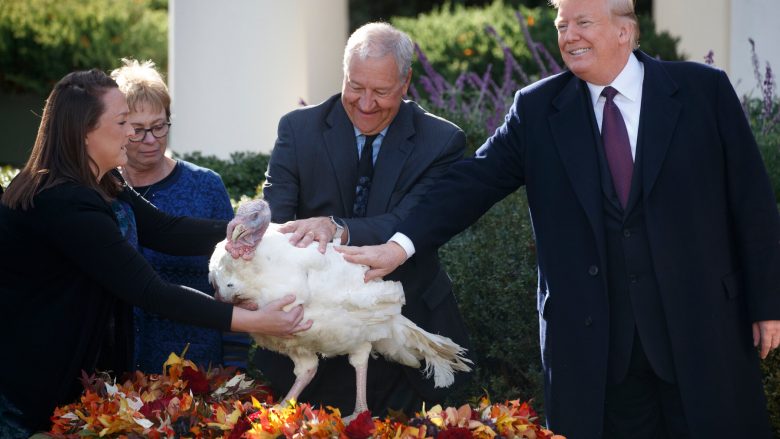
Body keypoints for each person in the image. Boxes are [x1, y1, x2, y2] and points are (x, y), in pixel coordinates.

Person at [339, 0, 780, 437]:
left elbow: (752, 201)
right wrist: (399, 246)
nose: (569, 36)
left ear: (624, 30)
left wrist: (767, 304)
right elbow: (469, 184)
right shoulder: (537, 110)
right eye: (561, 25)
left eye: (582, 23)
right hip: (597, 354)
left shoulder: (704, 91)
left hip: (702, 333)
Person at [0, 69, 312, 436]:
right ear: (85, 132)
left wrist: (252, 232)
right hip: (32, 393)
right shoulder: (62, 202)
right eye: (122, 122)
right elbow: (149, 291)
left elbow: (165, 230)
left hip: (74, 380)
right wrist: (255, 321)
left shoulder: (102, 179)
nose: (133, 134)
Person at [256, 22, 472, 416]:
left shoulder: (441, 142)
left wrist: (338, 229)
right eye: (355, 86)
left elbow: (413, 219)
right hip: (310, 340)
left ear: (406, 83)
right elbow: (276, 220)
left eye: (381, 91)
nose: (366, 103)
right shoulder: (297, 129)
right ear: (344, 75)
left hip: (403, 336)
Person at [111, 58, 252, 372]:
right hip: (116, 367)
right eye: (138, 130)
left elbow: (236, 281)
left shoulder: (205, 186)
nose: (151, 139)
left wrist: (234, 364)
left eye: (159, 126)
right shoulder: (101, 189)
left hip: (197, 365)